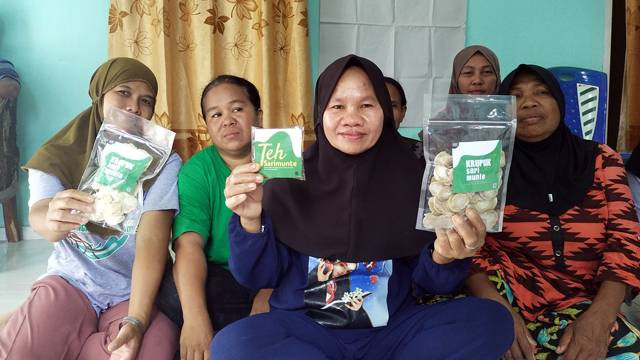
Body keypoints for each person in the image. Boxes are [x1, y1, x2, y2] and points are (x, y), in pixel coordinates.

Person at [211, 54, 513, 359]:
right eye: (338, 106)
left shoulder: (416, 176)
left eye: (367, 105)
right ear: (320, 112)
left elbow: (431, 283)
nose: (352, 118)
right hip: (306, 330)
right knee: (232, 345)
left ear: (386, 112)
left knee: (491, 321)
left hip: (394, 331)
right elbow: (257, 278)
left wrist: (445, 257)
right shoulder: (285, 178)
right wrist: (250, 220)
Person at [0, 57, 180, 359]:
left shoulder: (164, 161)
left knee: (151, 351)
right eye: (123, 93)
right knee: (22, 351)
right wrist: (52, 218)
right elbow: (41, 213)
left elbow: (152, 241)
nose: (135, 107)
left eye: (146, 100)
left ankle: (69, 337)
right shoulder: (58, 153)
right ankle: (54, 324)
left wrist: (136, 320)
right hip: (72, 281)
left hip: (134, 290)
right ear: (101, 96)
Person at [466, 64, 640, 360]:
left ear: (559, 102)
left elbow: (625, 243)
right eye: (516, 96)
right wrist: (496, 311)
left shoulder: (602, 160)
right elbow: (467, 247)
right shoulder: (485, 163)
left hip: (582, 302)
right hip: (503, 295)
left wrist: (600, 317)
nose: (529, 102)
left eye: (542, 92)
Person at [156, 75, 271, 360]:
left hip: (275, 270)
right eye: (216, 114)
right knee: (172, 292)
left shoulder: (281, 159)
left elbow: (301, 237)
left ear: (258, 114)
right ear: (206, 123)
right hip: (220, 273)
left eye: (237, 109)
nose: (227, 120)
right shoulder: (197, 171)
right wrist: (196, 320)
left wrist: (270, 289)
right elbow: (189, 245)